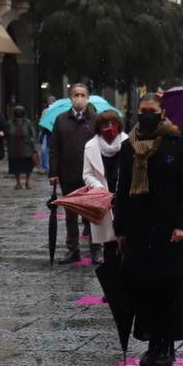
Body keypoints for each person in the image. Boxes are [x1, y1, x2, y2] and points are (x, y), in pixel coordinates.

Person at [109, 93, 183, 366]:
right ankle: (151, 344)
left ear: (161, 112)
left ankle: (166, 345)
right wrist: (120, 228)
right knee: (143, 289)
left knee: (167, 288)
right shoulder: (128, 147)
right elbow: (122, 189)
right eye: (142, 110)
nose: (146, 114)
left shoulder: (176, 142)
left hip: (168, 228)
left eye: (152, 110)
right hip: (138, 228)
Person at [49, 84, 98, 264]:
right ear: (71, 97)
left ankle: (96, 250)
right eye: (76, 94)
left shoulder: (95, 120)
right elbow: (54, 147)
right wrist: (53, 172)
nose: (79, 97)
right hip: (68, 174)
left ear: (88, 97)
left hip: (90, 176)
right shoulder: (61, 120)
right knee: (70, 214)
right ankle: (73, 249)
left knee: (93, 214)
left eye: (82, 94)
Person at [83, 109, 126, 265]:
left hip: (123, 196)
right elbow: (87, 174)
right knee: (108, 241)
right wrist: (98, 187)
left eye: (113, 123)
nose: (109, 127)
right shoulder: (90, 147)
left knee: (125, 239)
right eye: (105, 124)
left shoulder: (128, 143)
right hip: (102, 197)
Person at [6, 105, 37, 190]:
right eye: (17, 112)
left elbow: (32, 134)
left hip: (26, 148)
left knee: (28, 166)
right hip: (14, 148)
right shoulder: (10, 123)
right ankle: (18, 182)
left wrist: (31, 142)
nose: (18, 113)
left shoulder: (27, 122)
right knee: (16, 166)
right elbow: (7, 134)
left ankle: (28, 181)